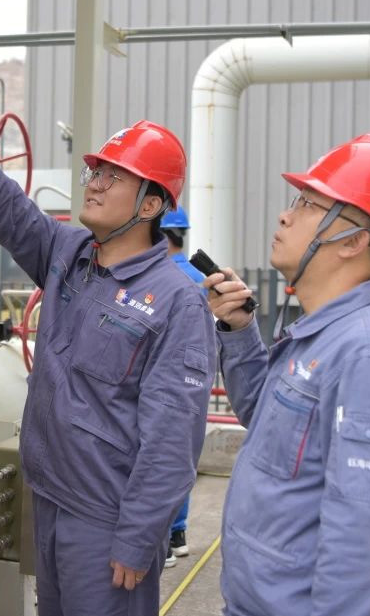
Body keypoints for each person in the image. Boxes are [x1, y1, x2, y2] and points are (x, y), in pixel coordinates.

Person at [0, 121, 217, 615]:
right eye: (95, 173)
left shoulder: (177, 302)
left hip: (106, 521)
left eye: (113, 177)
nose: (96, 184)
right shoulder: (68, 254)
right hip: (49, 498)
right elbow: (8, 210)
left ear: (149, 205)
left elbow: (172, 439)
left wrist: (139, 535)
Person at [206, 134, 370, 616]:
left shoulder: (366, 355)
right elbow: (266, 422)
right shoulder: (322, 334)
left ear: (354, 241)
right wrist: (239, 331)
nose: (284, 215)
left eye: (307, 204)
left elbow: (362, 547)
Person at [159, 205, 204, 567]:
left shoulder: (157, 277)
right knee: (182, 457)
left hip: (161, 380)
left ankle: (161, 540)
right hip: (194, 380)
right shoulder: (198, 277)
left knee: (155, 458)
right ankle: (178, 534)